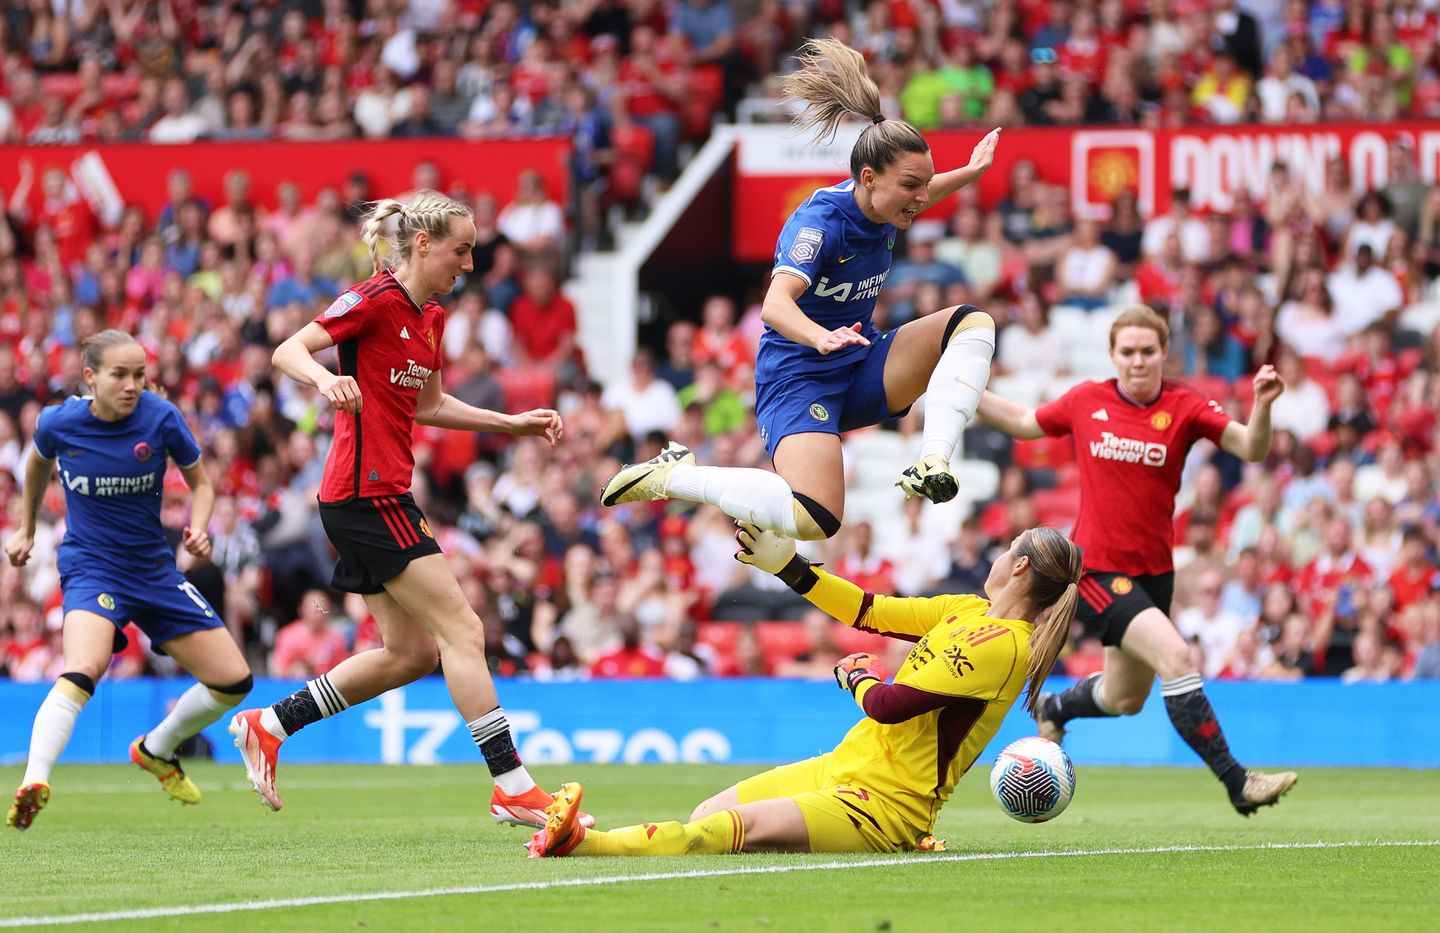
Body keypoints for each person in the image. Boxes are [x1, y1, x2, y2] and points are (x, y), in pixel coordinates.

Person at [227, 189, 589, 830]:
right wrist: (326, 379)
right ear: (423, 244)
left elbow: (428, 405)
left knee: (412, 654)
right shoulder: (372, 301)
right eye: (463, 250)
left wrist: (510, 424)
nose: (470, 265)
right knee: (465, 633)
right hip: (366, 493)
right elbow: (289, 350)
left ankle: (271, 722)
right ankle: (512, 785)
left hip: (376, 495)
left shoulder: (431, 317)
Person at [601, 37, 1001, 542]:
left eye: (925, 184)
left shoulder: (888, 200)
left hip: (858, 360)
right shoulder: (820, 224)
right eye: (911, 185)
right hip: (799, 376)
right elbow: (774, 304)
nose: (922, 198)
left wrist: (971, 171)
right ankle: (672, 475)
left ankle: (932, 461)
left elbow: (926, 192)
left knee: (972, 322)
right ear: (869, 177)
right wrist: (819, 337)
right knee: (816, 519)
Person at [527, 523, 1084, 857]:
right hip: (843, 767)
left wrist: (856, 677)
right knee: (705, 813)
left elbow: (891, 706)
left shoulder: (1006, 645)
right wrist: (788, 566)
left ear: (1020, 568)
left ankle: (583, 843)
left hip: (885, 807)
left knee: (729, 830)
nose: (996, 557)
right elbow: (869, 610)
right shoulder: (966, 609)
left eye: (1004, 550)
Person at [976, 304, 1298, 816]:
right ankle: (1238, 783)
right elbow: (1021, 421)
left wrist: (1261, 405)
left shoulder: (1186, 406)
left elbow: (1251, 449)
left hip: (1155, 574)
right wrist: (953, 383)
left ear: (1164, 353)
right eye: (1127, 352)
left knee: (1126, 699)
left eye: (1148, 351)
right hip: (1098, 570)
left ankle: (1057, 707)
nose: (1138, 361)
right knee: (1179, 659)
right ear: (1112, 355)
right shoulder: (1088, 400)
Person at [5, 330, 253, 831]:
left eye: (140, 375)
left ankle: (156, 749)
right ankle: (35, 779)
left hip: (154, 571)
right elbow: (36, 465)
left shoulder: (160, 418)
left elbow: (202, 484)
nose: (132, 385)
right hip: (92, 567)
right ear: (90, 377)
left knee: (233, 682)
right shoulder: (58, 423)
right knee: (84, 667)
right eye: (120, 375)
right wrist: (25, 527)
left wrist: (200, 529)